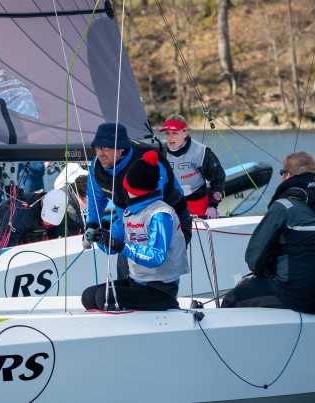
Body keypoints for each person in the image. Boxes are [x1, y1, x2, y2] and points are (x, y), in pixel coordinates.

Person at [221, 152, 315, 314]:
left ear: (287, 176)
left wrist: (266, 273)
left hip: (294, 295)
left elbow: (254, 259)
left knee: (232, 298)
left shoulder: (283, 206)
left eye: (281, 173)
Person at [82, 122, 192, 280]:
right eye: (97, 148)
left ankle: (162, 299)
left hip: (165, 217)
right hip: (129, 219)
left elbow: (152, 206)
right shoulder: (96, 166)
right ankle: (131, 299)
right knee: (125, 268)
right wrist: (92, 225)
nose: (100, 154)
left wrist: (121, 236)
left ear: (122, 148)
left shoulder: (145, 166)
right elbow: (95, 197)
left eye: (105, 148)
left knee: (156, 267)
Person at [81, 151, 189, 311]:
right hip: (137, 282)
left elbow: (156, 256)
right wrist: (101, 236)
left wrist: (122, 247)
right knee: (88, 296)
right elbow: (112, 246)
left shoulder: (160, 214)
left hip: (160, 289)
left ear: (132, 188)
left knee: (102, 297)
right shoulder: (130, 211)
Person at [160, 114, 226, 219]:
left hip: (197, 200)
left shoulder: (201, 152)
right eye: (167, 133)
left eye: (174, 133)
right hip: (170, 201)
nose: (170, 137)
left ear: (185, 132)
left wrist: (213, 205)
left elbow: (218, 178)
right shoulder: (159, 150)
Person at [0, 188, 84, 248]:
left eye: (53, 219)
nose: (49, 223)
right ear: (42, 203)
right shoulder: (22, 213)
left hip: (32, 234)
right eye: (48, 217)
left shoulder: (59, 210)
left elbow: (61, 243)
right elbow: (6, 247)